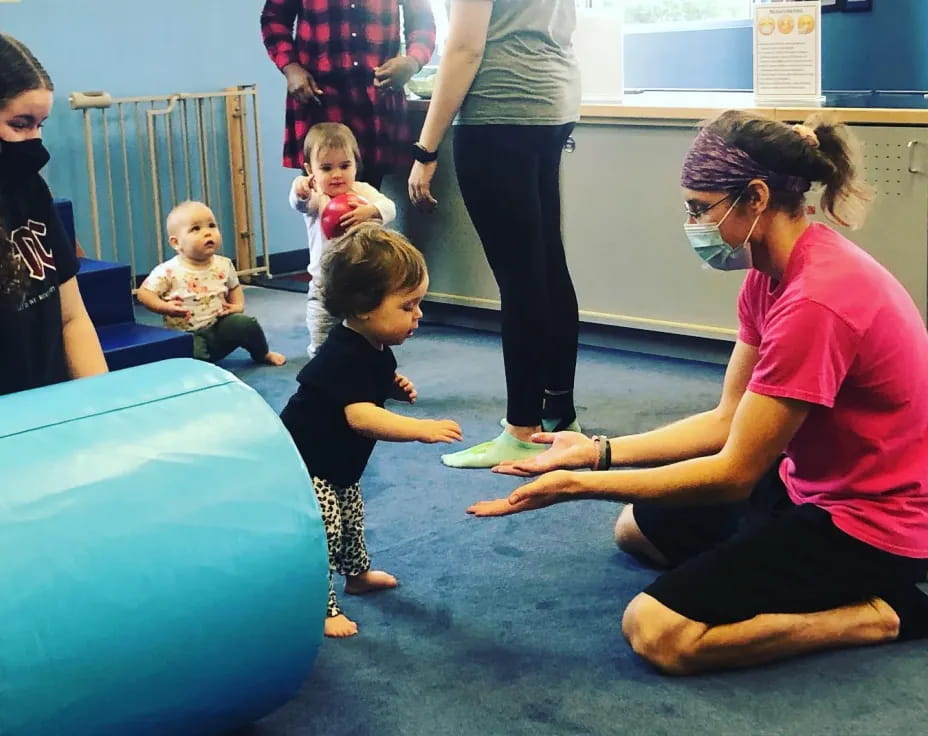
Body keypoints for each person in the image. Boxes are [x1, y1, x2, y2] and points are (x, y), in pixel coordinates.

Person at [467, 110, 928, 674]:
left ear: (756, 198)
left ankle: (886, 613)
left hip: (874, 522)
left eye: (698, 207)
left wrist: (581, 484)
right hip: (810, 487)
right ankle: (790, 563)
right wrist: (596, 451)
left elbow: (734, 473)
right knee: (637, 529)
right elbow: (725, 419)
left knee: (660, 633)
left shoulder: (816, 301)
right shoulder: (770, 275)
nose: (691, 223)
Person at [407, 0, 582, 469]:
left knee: (521, 278)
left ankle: (522, 429)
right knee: (546, 264)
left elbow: (464, 47)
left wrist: (425, 147)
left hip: (499, 110)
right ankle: (558, 416)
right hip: (552, 101)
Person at [280, 223, 462, 638]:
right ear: (364, 307)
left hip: (340, 463)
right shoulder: (342, 353)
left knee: (352, 520)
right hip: (308, 466)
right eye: (408, 306)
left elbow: (374, 382)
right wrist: (419, 429)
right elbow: (361, 416)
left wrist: (395, 387)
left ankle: (357, 575)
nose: (419, 315)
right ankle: (319, 605)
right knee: (323, 534)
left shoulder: (375, 346)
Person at [0, 34, 108, 396]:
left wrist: (103, 408)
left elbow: (72, 318)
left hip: (53, 409)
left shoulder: (29, 189)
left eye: (40, 125)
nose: (34, 141)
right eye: (19, 124)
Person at [260, 0, 436, 188]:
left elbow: (422, 20)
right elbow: (273, 18)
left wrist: (413, 61)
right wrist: (290, 67)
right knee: (318, 201)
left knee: (370, 201)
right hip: (319, 101)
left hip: (376, 103)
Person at [290, 122, 396, 357]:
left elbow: (390, 207)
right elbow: (300, 204)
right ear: (311, 171)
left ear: (355, 165)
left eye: (345, 165)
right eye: (326, 168)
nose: (337, 174)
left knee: (369, 334)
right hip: (324, 283)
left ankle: (371, 374)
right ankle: (322, 373)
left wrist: (370, 212)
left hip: (362, 281)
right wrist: (301, 191)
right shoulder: (317, 197)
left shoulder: (363, 192)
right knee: (322, 336)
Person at [137, 201, 286, 366]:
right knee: (195, 356)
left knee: (246, 324)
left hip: (219, 327)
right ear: (176, 242)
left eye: (211, 225)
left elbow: (234, 287)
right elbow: (145, 294)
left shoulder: (223, 264)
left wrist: (237, 306)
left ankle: (262, 353)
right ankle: (203, 368)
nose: (207, 233)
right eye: (196, 229)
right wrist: (164, 307)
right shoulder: (168, 270)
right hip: (187, 335)